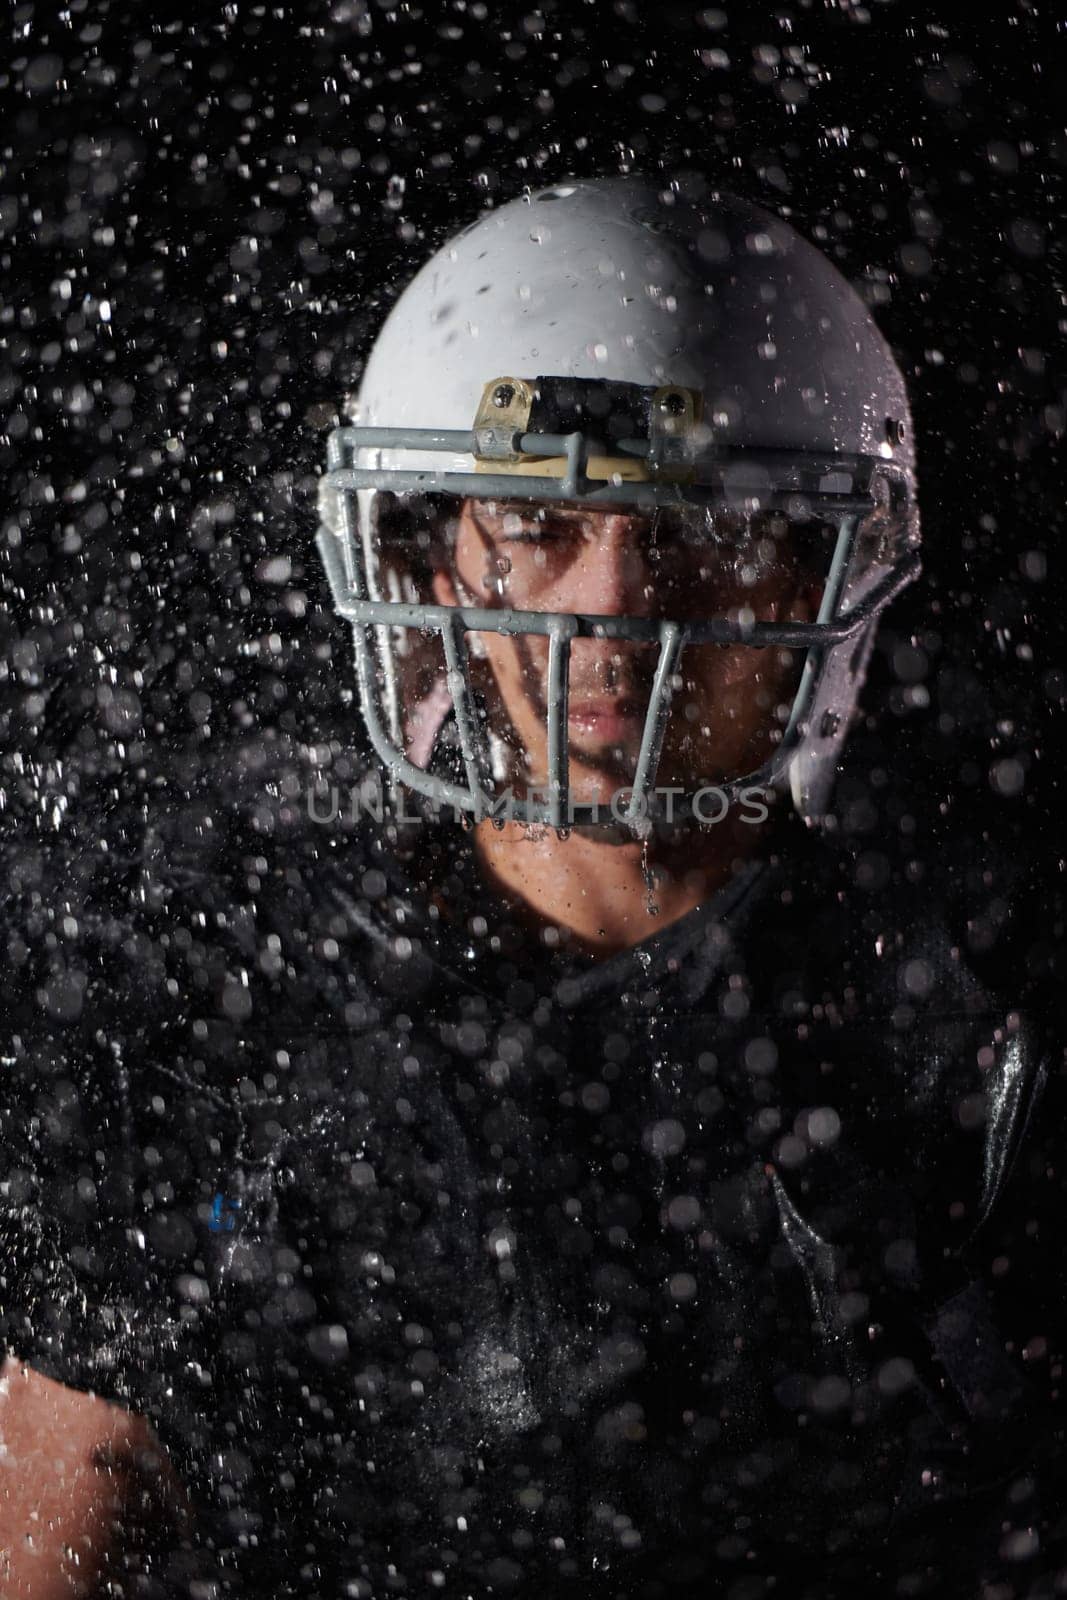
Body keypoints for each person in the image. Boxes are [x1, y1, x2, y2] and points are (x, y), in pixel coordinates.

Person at [1, 176, 1063, 1599]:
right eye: (538, 523)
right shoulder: (241, 1032)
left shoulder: (968, 1032)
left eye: (705, 524)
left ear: (830, 568)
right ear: (431, 553)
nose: (610, 605)